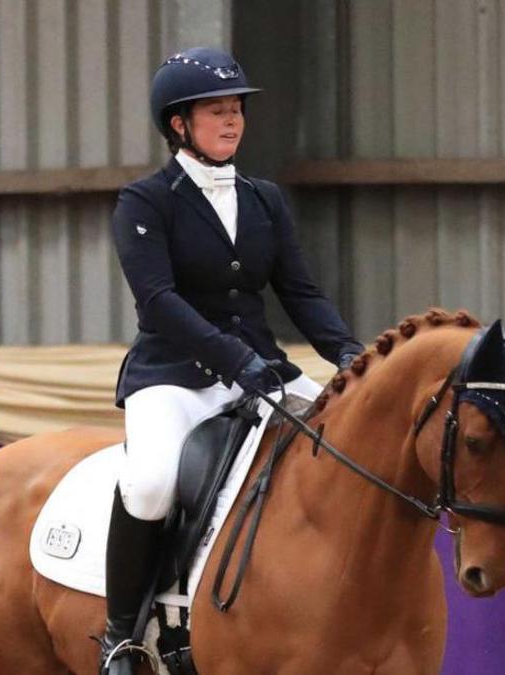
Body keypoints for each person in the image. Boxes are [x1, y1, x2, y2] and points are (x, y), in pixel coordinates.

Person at [100, 46, 364, 674]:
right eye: (215, 112)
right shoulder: (145, 202)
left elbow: (299, 292)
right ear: (178, 125)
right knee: (153, 481)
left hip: (260, 370)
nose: (232, 122)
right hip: (174, 376)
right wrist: (236, 361)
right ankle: (119, 636)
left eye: (237, 110)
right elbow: (159, 302)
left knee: (347, 457)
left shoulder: (266, 198)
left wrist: (350, 353)